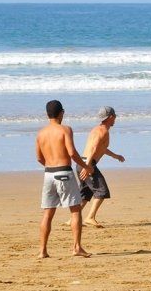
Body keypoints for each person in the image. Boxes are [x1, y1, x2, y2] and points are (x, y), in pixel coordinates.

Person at [35, 99, 93, 258]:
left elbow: (39, 158)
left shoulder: (40, 133)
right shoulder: (65, 130)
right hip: (64, 172)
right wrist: (87, 167)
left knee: (48, 213)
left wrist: (51, 166)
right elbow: (72, 153)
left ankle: (42, 251)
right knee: (75, 211)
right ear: (62, 113)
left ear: (47, 114)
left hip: (48, 174)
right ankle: (76, 247)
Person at [76, 106, 125, 228]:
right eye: (115, 117)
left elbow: (101, 148)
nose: (115, 119)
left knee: (85, 194)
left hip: (81, 163)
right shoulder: (103, 131)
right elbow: (93, 148)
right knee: (102, 191)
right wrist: (87, 167)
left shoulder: (97, 129)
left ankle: (73, 218)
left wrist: (115, 156)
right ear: (111, 117)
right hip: (87, 164)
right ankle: (90, 217)